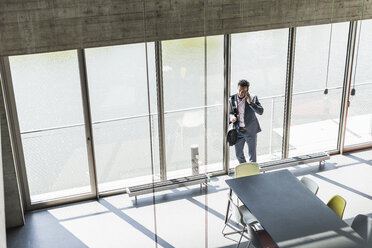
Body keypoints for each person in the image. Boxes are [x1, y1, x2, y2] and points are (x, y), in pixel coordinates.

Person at [230, 79, 264, 163]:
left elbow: (261, 111)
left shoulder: (253, 97)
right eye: (240, 90)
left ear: (247, 91)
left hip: (251, 131)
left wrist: (251, 103)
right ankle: (244, 169)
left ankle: (252, 172)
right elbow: (230, 113)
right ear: (237, 88)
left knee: (252, 155)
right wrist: (232, 117)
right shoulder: (232, 99)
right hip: (238, 131)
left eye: (244, 91)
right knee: (238, 154)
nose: (241, 93)